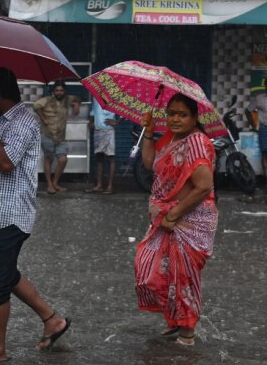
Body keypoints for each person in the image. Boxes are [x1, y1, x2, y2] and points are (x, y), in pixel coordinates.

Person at [0, 68, 71, 364]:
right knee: (6, 272)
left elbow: (6, 163)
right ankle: (52, 320)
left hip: (13, 212)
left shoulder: (23, 122)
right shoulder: (2, 119)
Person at [135, 93, 218, 347]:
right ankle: (174, 319)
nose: (175, 119)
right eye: (171, 113)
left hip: (190, 219)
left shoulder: (197, 143)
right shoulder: (170, 139)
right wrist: (149, 132)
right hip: (166, 219)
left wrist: (174, 213)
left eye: (182, 114)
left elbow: (204, 186)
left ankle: (187, 332)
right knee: (151, 271)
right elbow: (149, 163)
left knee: (183, 276)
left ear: (194, 119)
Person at [33, 80, 80, 194]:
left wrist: (76, 104)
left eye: (61, 90)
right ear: (54, 91)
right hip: (47, 135)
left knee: (63, 160)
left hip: (60, 137)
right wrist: (43, 118)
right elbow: (35, 105)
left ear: (64, 91)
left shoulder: (67, 99)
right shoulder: (48, 100)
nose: (59, 92)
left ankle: (55, 182)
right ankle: (49, 185)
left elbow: (78, 98)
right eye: (57, 90)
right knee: (48, 159)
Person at [85, 98, 122, 195]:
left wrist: (117, 122)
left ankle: (110, 186)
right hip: (98, 130)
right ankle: (99, 185)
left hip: (109, 130)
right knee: (99, 158)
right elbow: (93, 110)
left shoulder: (113, 96)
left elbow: (124, 111)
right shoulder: (95, 96)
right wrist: (91, 122)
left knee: (111, 158)